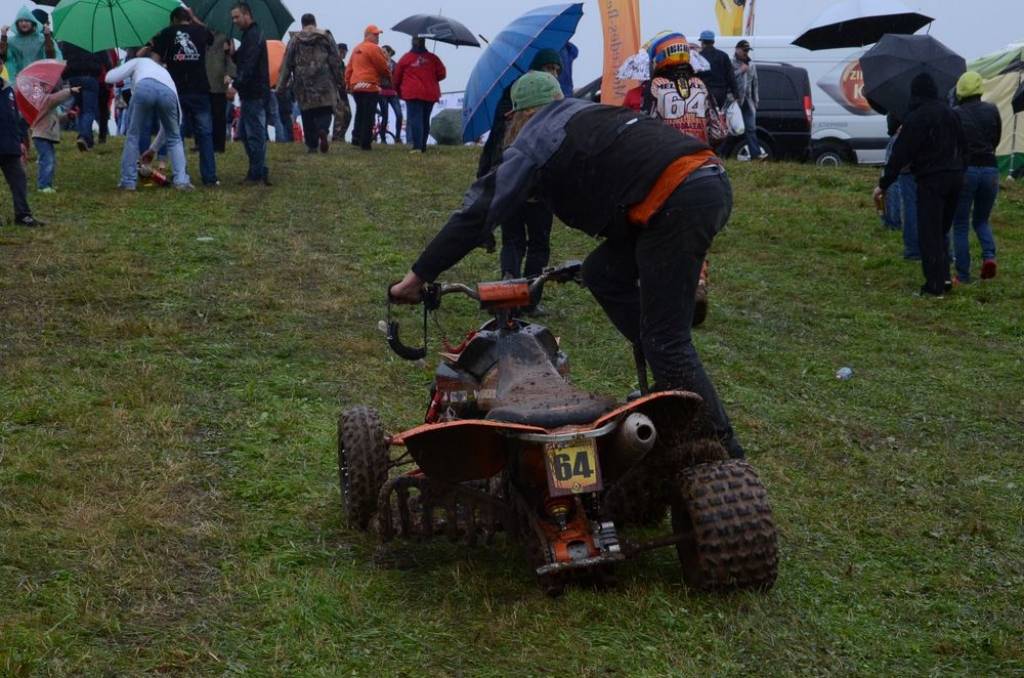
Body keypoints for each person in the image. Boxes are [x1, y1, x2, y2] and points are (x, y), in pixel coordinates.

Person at [389, 72, 744, 458]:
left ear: (518, 115)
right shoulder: (588, 113)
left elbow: (478, 211)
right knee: (602, 273)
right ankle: (665, 379)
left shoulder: (537, 136)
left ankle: (722, 451)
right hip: (704, 185)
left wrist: (418, 275)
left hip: (675, 201)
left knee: (668, 341)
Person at [876, 73, 967, 297]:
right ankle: (944, 279)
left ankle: (933, 287)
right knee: (942, 230)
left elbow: (900, 153)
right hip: (956, 178)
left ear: (915, 93)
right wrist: (960, 170)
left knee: (929, 233)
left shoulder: (917, 117)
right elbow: (964, 146)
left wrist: (884, 184)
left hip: (932, 180)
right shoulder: (951, 113)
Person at [478, 50, 562, 291]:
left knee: (532, 242)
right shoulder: (523, 110)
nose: (553, 73)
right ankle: (518, 291)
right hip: (521, 186)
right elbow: (494, 146)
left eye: (556, 69)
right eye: (549, 68)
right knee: (520, 241)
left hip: (522, 188)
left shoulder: (532, 105)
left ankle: (523, 293)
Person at [150, 6, 219, 187]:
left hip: (176, 89)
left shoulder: (167, 32)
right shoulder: (200, 31)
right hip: (200, 89)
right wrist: (195, 18)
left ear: (173, 20)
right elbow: (212, 36)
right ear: (188, 18)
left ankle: (181, 174)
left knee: (176, 135)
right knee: (204, 134)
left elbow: (155, 59)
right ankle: (210, 177)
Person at [106, 52, 192, 190]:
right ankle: (181, 181)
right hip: (168, 92)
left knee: (133, 135)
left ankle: (128, 181)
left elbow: (109, 77)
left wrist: (118, 69)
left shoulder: (139, 61)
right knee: (175, 138)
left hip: (144, 87)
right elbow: (168, 129)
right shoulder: (164, 72)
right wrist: (153, 150)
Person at [952, 71, 1001, 282]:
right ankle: (989, 257)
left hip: (966, 170)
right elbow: (996, 139)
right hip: (990, 169)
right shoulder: (992, 110)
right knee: (981, 220)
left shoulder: (955, 113)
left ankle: (963, 274)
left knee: (961, 223)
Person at [277, 13, 340, 154]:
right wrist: (339, 79)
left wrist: (281, 86)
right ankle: (323, 129)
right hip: (324, 80)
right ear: (315, 23)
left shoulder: (295, 39)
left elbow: (287, 63)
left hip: (303, 82)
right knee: (325, 109)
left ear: (302, 24)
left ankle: (312, 146)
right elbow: (335, 59)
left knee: (307, 113)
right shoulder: (325, 36)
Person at [230, 2, 270, 185]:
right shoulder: (249, 36)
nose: (234, 21)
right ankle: (258, 170)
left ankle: (257, 174)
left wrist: (235, 85)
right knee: (246, 135)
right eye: (233, 18)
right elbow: (243, 59)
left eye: (237, 17)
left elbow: (249, 65)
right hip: (250, 94)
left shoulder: (254, 35)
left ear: (247, 15)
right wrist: (231, 53)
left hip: (255, 93)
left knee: (254, 135)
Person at [0, 60, 43, 226]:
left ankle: (23, 215)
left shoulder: (8, 90)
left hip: (10, 146)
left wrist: (21, 141)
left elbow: (16, 118)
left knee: (19, 181)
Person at [393, 36, 446, 153]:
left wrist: (398, 90)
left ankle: (417, 147)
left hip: (412, 93)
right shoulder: (433, 58)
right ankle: (422, 146)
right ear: (424, 42)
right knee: (425, 119)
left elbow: (396, 77)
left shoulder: (405, 58)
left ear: (412, 43)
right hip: (430, 93)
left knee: (416, 119)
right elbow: (442, 74)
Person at [345, 25, 390, 150]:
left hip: (356, 86)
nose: (377, 37)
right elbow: (382, 67)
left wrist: (348, 84)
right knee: (368, 115)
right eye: (375, 35)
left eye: (378, 35)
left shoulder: (356, 48)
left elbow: (349, 68)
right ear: (368, 35)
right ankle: (365, 143)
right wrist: (389, 77)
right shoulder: (374, 48)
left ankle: (356, 137)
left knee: (360, 112)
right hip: (369, 85)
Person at [59, 42, 109, 152]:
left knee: (81, 108)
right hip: (90, 76)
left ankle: (86, 138)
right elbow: (106, 60)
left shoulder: (68, 40)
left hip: (73, 77)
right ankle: (85, 136)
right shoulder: (95, 39)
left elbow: (62, 57)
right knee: (89, 110)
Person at [31, 82, 78, 193]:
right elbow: (56, 98)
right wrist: (70, 90)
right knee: (47, 160)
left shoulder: (48, 105)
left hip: (45, 135)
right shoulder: (45, 100)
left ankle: (47, 184)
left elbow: (56, 119)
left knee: (49, 160)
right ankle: (43, 186)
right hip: (42, 135)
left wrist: (67, 116)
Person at [0, 7, 59, 82]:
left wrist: (47, 37)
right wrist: (3, 36)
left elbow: (51, 58)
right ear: (17, 23)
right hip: (19, 82)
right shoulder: (11, 41)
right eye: (21, 21)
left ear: (33, 22)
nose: (23, 23)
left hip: (40, 81)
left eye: (27, 20)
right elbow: (3, 58)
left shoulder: (41, 39)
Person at [732, 39, 765, 160]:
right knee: (732, 128)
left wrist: (756, 100)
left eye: (747, 50)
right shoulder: (731, 63)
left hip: (747, 100)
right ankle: (720, 152)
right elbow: (729, 79)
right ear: (737, 50)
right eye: (744, 50)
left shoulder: (751, 64)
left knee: (751, 128)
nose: (746, 53)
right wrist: (740, 71)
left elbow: (755, 83)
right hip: (734, 101)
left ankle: (755, 154)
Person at [206, 31, 235, 152]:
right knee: (205, 117)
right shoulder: (204, 36)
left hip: (219, 85)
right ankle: (204, 143)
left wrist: (229, 74)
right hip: (205, 83)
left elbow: (231, 59)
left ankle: (219, 145)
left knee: (219, 117)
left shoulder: (225, 37)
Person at [696, 30, 738, 109]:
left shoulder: (698, 57)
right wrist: (735, 94)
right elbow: (730, 76)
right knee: (719, 116)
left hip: (703, 93)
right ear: (713, 42)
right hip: (721, 93)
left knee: (706, 116)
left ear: (702, 42)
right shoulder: (723, 56)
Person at [376, 45, 403, 143]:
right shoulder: (378, 65)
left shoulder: (395, 65)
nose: (382, 54)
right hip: (382, 93)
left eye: (384, 52)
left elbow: (399, 79)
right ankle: (383, 138)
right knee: (385, 116)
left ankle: (398, 137)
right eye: (381, 52)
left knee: (399, 115)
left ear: (390, 53)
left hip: (393, 93)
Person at [331, 41, 352, 142]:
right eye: (342, 51)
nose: (343, 54)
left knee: (348, 115)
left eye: (345, 52)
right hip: (336, 93)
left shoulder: (342, 64)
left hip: (343, 93)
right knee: (339, 116)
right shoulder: (334, 63)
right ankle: (336, 137)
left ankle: (341, 136)